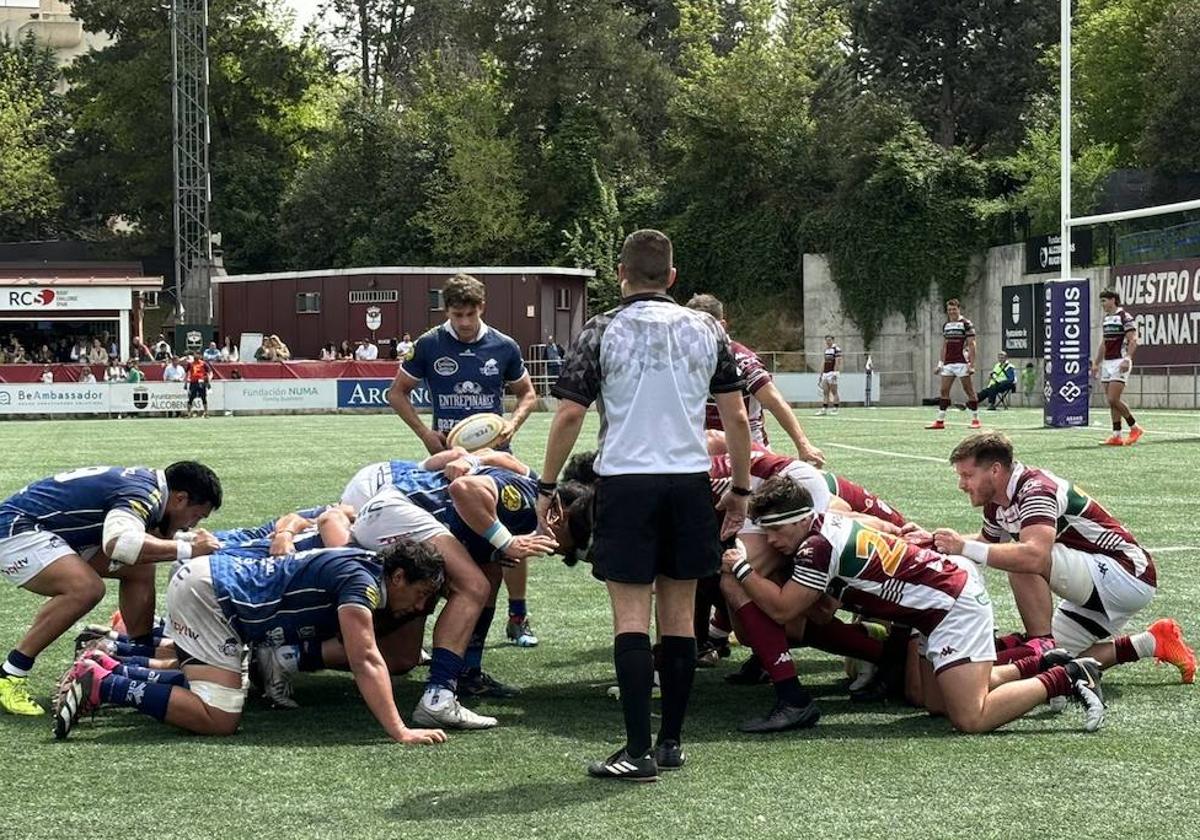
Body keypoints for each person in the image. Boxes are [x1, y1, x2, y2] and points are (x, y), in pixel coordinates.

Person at [537, 229, 752, 782]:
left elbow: (568, 415)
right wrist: (742, 489)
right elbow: (737, 419)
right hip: (687, 483)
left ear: (620, 273)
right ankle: (672, 741)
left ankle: (637, 752)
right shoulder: (707, 327)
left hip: (627, 483)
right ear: (673, 277)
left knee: (630, 618)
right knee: (680, 618)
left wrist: (546, 485)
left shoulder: (602, 328)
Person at [727, 477, 1109, 733]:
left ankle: (1067, 676)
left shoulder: (816, 547)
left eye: (775, 530)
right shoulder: (824, 527)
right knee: (932, 701)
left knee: (970, 717)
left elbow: (782, 611)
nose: (772, 541)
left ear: (798, 520)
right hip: (934, 605)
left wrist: (743, 570)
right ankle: (1042, 662)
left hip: (949, 604)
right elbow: (823, 611)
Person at [53, 542, 448, 745]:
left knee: (213, 683)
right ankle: (105, 684)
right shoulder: (362, 584)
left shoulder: (364, 568)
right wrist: (400, 730)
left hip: (214, 591)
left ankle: (111, 665)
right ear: (397, 577)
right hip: (213, 596)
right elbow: (365, 658)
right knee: (219, 718)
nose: (420, 605)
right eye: (420, 593)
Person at [927, 432, 1193, 684]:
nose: (961, 484)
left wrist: (961, 547)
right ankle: (1152, 641)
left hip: (1127, 573)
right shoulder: (997, 500)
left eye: (967, 475)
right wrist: (930, 541)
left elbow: (1033, 556)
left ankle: (1040, 640)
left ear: (995, 470)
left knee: (1023, 557)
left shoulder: (1035, 489)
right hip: (1099, 580)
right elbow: (986, 543)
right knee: (1057, 662)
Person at [387, 273, 541, 648]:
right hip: (449, 462)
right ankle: (435, 628)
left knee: (513, 536)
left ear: (481, 308)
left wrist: (511, 424)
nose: (465, 322)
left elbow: (529, 395)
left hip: (494, 461)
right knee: (445, 542)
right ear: (447, 312)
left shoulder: (503, 346)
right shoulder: (428, 345)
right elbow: (397, 393)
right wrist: (426, 434)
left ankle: (517, 616)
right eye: (458, 315)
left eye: (471, 314)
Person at [0, 463, 222, 717]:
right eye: (196, 516)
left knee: (139, 567)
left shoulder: (147, 488)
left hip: (45, 529)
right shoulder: (142, 494)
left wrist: (186, 541)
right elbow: (120, 543)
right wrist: (189, 549)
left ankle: (139, 651)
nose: (191, 525)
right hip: (15, 530)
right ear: (180, 498)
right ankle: (11, 673)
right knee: (85, 589)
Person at [685, 293, 824, 466]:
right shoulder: (684, 360)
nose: (697, 335)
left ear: (722, 326)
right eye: (691, 328)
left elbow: (775, 402)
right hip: (705, 453)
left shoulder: (743, 360)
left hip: (751, 455)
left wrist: (804, 445)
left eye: (703, 328)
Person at [1092, 289, 1143, 446]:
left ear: (1113, 300)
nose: (1102, 304)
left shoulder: (1125, 317)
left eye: (1104, 301)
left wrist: (1127, 358)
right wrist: (1096, 363)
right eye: (1101, 301)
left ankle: (1134, 427)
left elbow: (1133, 339)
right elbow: (1104, 344)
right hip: (1107, 363)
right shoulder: (1107, 319)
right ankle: (1117, 435)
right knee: (1112, 402)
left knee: (1113, 398)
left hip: (1120, 361)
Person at [927, 298, 980, 430]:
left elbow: (972, 344)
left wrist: (972, 365)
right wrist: (940, 363)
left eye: (954, 309)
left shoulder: (966, 323)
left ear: (958, 309)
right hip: (949, 363)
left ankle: (975, 420)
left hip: (962, 362)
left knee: (969, 390)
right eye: (949, 309)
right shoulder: (946, 325)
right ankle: (940, 421)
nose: (952, 312)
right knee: (944, 391)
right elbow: (944, 345)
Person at [816, 334, 841, 416]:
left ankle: (835, 408)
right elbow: (824, 362)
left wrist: (835, 373)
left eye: (829, 340)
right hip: (825, 373)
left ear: (833, 340)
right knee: (825, 391)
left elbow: (837, 361)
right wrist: (821, 374)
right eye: (827, 340)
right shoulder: (826, 350)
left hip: (832, 373)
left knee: (834, 391)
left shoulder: (836, 349)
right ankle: (824, 409)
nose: (828, 342)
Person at [186, 353, 213, 418]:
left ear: (200, 356)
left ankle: (206, 413)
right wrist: (187, 379)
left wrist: (209, 379)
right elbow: (186, 372)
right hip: (193, 382)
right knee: (191, 398)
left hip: (201, 382)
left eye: (198, 355)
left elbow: (210, 371)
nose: (196, 356)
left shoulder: (203, 363)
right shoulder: (190, 364)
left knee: (203, 398)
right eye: (195, 355)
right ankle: (189, 413)